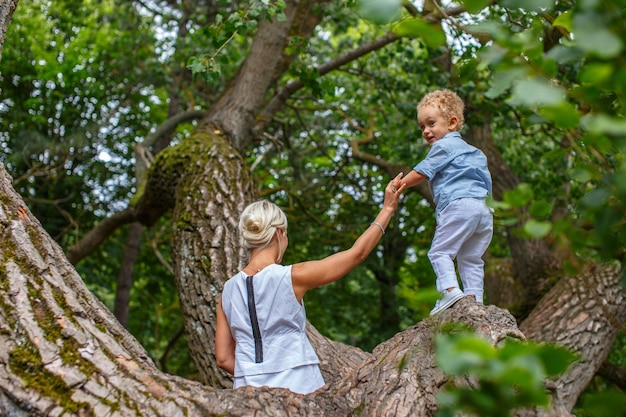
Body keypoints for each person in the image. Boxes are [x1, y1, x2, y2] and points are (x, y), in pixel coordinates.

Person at [215, 173, 406, 394]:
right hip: (299, 387)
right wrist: (388, 209)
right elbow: (356, 254)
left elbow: (223, 358)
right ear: (279, 233)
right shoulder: (292, 276)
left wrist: (256, 374)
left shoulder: (228, 291)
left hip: (248, 394)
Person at [400, 89, 493, 316]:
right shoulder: (476, 152)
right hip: (483, 210)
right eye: (422, 127)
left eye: (431, 123)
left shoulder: (443, 146)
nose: (426, 131)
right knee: (471, 258)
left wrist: (399, 184)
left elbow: (423, 171)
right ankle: (474, 299)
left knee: (440, 252)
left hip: (459, 205)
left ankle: (450, 292)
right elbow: (487, 180)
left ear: (452, 123)